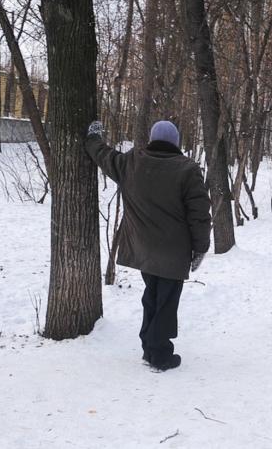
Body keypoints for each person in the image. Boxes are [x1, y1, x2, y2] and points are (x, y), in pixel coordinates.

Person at [85, 119, 211, 372]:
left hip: (143, 248)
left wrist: (93, 139)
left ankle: (149, 347)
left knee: (152, 296)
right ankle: (160, 355)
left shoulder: (132, 162)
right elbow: (199, 214)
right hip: (174, 252)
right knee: (165, 301)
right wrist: (200, 249)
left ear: (152, 140)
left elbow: (103, 155)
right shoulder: (187, 170)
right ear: (175, 142)